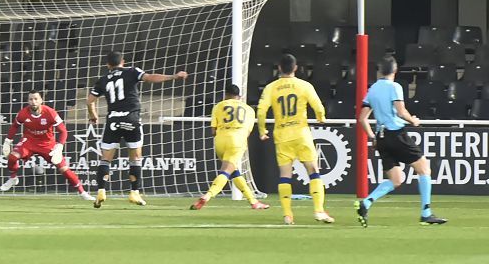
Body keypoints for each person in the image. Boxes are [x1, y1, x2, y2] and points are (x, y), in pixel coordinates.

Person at [86, 51, 188, 208]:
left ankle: (101, 191)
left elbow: (90, 101)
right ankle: (134, 193)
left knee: (105, 159)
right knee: (135, 158)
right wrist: (173, 76)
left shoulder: (103, 80)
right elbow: (150, 78)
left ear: (108, 65)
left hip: (113, 120)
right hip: (131, 118)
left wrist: (93, 116)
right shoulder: (132, 71)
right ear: (123, 62)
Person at [355, 55, 447, 227]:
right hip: (396, 134)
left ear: (380, 71)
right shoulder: (394, 87)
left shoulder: (372, 89)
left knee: (396, 179)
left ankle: (366, 202)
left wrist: (373, 137)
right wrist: (413, 120)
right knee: (424, 167)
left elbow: (362, 119)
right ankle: (426, 213)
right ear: (395, 71)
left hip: (381, 137)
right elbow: (400, 111)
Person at [257, 54, 334, 225]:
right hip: (301, 134)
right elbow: (318, 105)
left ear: (279, 68)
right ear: (296, 68)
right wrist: (321, 117)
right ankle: (319, 211)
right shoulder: (304, 85)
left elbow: (261, 111)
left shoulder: (271, 87)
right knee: (313, 170)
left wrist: (262, 130)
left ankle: (287, 215)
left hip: (282, 135)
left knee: (285, 175)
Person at [0, 90, 93, 200]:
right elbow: (15, 126)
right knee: (12, 156)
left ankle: (82, 192)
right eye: (31, 99)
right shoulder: (23, 113)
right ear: (28, 101)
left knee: (63, 168)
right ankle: (13, 178)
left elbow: (63, 131)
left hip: (47, 144)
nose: (33, 102)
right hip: (29, 142)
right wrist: (7, 141)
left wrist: (59, 146)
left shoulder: (50, 112)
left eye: (36, 99)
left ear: (41, 100)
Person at [191, 82, 269, 211]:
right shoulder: (248, 109)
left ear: (226, 94)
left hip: (220, 141)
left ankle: (253, 202)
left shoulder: (218, 106)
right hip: (237, 140)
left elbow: (213, 131)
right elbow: (248, 131)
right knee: (226, 171)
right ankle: (207, 195)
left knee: (234, 172)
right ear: (239, 96)